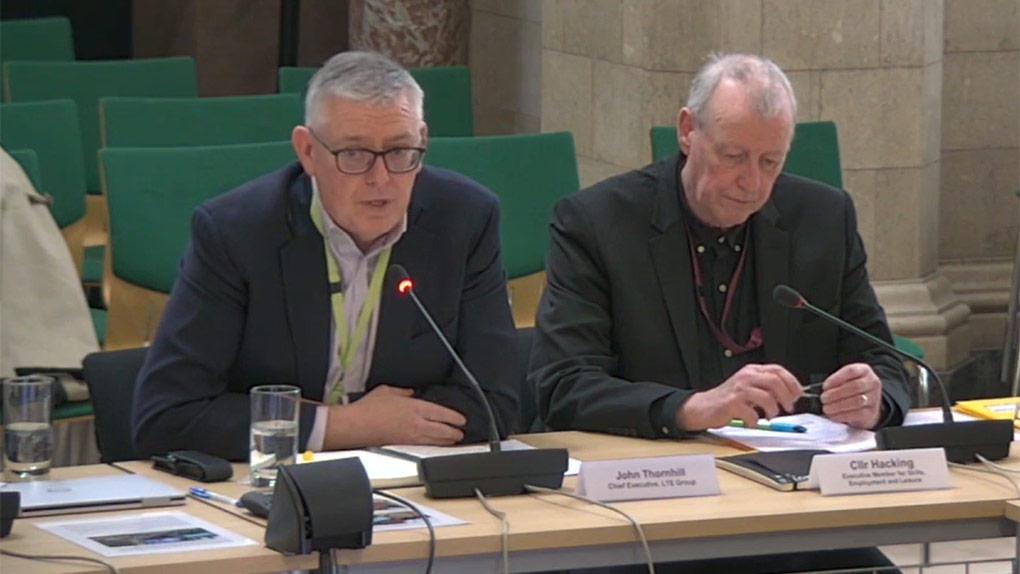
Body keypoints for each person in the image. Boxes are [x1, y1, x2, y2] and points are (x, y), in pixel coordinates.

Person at [529, 54, 909, 572]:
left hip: (788, 512)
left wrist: (874, 397)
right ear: (688, 131)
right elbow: (562, 385)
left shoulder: (824, 218)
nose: (751, 182)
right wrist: (692, 407)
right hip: (647, 515)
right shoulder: (597, 223)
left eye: (770, 162)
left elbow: (886, 362)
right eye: (733, 156)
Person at [133, 51, 518, 460]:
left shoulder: (465, 220)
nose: (381, 178)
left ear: (422, 140)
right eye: (354, 154)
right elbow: (166, 418)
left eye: (400, 151)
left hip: (405, 479)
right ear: (308, 152)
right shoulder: (236, 233)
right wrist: (347, 425)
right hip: (265, 482)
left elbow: (494, 401)